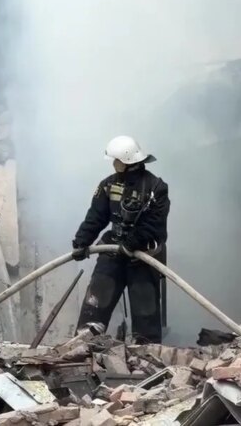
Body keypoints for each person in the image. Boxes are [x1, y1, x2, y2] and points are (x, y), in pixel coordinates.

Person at [71, 136, 170, 343]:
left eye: (116, 160)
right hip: (112, 252)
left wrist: (131, 244)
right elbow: (96, 217)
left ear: (126, 161)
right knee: (95, 304)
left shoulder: (156, 188)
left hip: (143, 257)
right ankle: (82, 347)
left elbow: (154, 225)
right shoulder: (108, 185)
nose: (114, 164)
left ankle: (144, 354)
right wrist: (81, 241)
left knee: (145, 316)